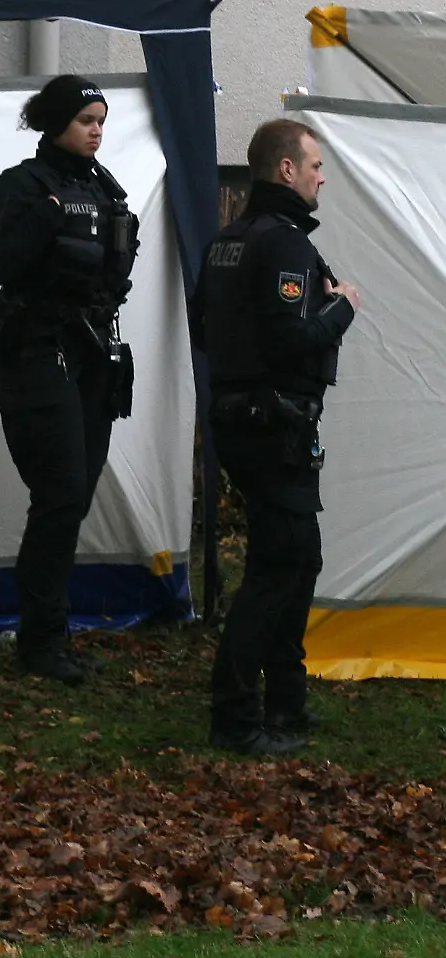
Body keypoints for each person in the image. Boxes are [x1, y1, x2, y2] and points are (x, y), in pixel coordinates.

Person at [189, 118, 360, 756]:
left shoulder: (227, 240)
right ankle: (236, 717)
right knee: (277, 565)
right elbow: (293, 338)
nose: (321, 178)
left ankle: (286, 700)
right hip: (272, 424)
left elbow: (203, 328)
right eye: (315, 165)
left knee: (300, 556)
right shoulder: (284, 244)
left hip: (243, 419)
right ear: (286, 170)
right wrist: (342, 306)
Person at [0, 75, 138, 685]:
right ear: (55, 123)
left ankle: (49, 632)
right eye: (85, 121)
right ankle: (42, 639)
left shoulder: (105, 188)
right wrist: (45, 220)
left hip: (92, 350)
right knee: (61, 492)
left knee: (75, 495)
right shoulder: (21, 186)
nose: (96, 131)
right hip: (35, 349)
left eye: (101, 121)